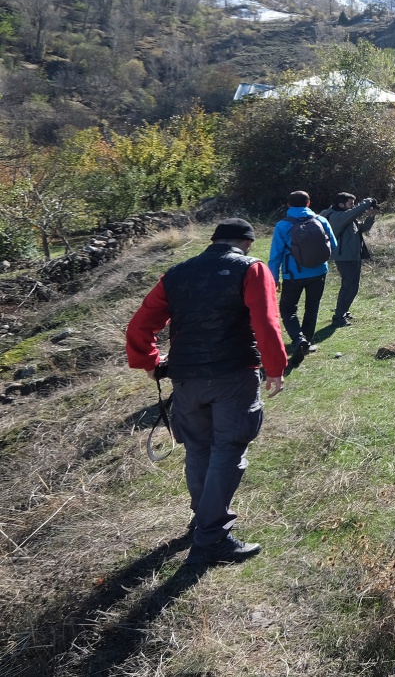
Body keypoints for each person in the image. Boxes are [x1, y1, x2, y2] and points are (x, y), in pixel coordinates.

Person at [125, 218, 287, 567]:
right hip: (233, 375)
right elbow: (266, 322)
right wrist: (275, 367)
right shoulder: (251, 268)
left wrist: (148, 360)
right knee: (228, 449)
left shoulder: (176, 274)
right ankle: (212, 538)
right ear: (247, 242)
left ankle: (203, 518)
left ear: (213, 241)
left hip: (186, 378)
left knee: (198, 448)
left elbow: (139, 326)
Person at [268, 190, 338, 357]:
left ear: (288, 205)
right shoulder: (321, 220)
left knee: (288, 309)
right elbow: (334, 245)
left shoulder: (283, 225)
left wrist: (273, 278)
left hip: (292, 274)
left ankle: (299, 339)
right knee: (312, 307)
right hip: (319, 271)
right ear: (308, 203)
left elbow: (275, 255)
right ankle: (306, 341)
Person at [322, 192, 377, 327]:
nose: (353, 206)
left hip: (351, 255)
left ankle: (343, 311)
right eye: (351, 204)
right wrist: (368, 201)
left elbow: (361, 229)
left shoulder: (345, 216)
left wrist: (371, 217)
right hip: (345, 257)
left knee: (349, 286)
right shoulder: (336, 216)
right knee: (350, 287)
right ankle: (338, 317)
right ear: (341, 205)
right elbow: (356, 211)